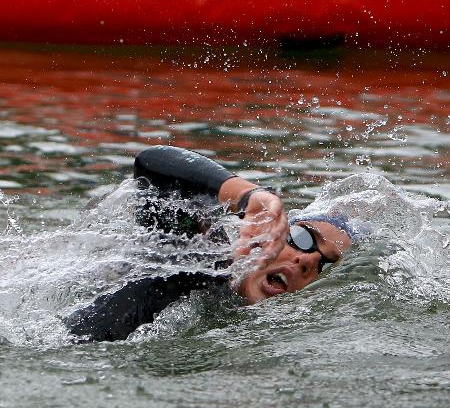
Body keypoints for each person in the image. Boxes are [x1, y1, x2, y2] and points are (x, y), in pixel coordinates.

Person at [66, 146, 353, 342]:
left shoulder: (265, 337)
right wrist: (249, 197)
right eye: (303, 239)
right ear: (270, 233)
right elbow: (151, 163)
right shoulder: (200, 259)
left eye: (326, 266)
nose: (308, 261)